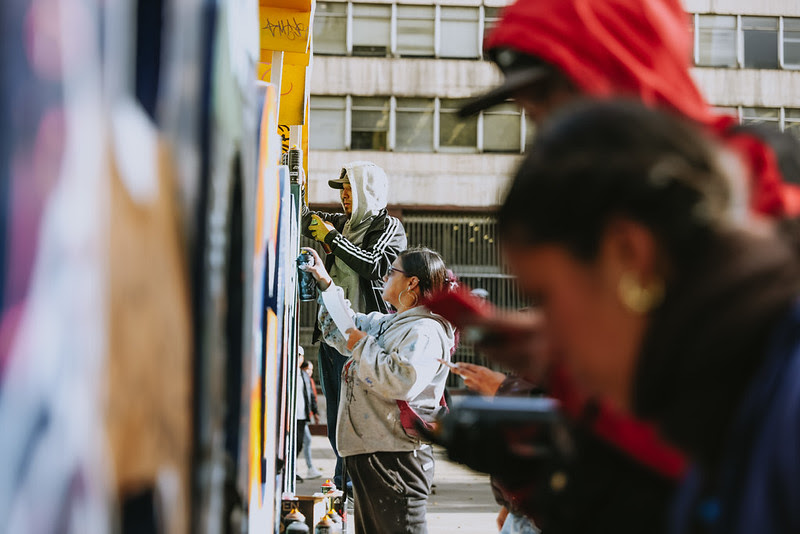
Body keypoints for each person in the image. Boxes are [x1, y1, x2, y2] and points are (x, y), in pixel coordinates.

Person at [496, 100, 800, 533]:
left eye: (543, 297)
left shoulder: (781, 399)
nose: (542, 332)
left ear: (628, 253)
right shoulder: (725, 386)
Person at [461, 0, 800, 215]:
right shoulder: (596, 188)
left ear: (615, 73)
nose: (535, 117)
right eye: (522, 103)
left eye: (542, 93)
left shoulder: (761, 165)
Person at [300, 245, 456, 534]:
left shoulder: (424, 330)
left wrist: (361, 344)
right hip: (374, 454)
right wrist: (326, 283)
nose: (384, 277)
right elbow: (345, 327)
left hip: (398, 460)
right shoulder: (391, 323)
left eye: (392, 272)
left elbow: (401, 381)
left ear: (412, 282)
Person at [301, 161, 407, 488]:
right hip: (332, 336)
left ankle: (353, 486)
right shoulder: (341, 224)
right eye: (342, 191)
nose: (344, 197)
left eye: (350, 190)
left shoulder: (389, 227)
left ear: (367, 192)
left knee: (358, 417)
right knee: (336, 416)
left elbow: (374, 265)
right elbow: (304, 218)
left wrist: (332, 238)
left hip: (365, 340)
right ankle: (342, 484)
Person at [295, 348, 320, 481]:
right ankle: (292, 470)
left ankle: (293, 469)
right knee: (291, 444)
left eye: (299, 356)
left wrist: (315, 412)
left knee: (299, 443)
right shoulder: (289, 373)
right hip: (291, 417)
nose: (297, 358)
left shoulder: (304, 375)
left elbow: (310, 395)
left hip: (302, 416)